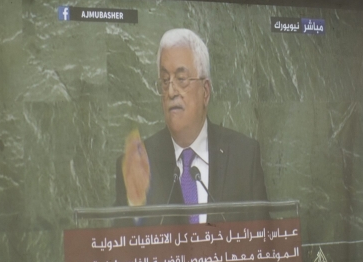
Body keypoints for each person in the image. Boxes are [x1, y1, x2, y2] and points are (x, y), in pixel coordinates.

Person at [114, 29, 267, 223]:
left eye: (181, 79)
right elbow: (123, 246)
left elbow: (265, 244)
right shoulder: (138, 163)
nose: (171, 91)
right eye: (164, 81)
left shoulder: (244, 157)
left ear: (205, 92)